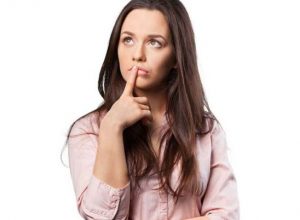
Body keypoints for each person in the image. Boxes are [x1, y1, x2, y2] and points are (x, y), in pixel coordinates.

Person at [63, 0, 240, 219]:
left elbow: (225, 215)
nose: (137, 54)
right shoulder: (88, 130)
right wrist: (111, 128)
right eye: (128, 40)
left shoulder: (206, 130)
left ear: (176, 56)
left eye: (154, 43)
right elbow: (100, 217)